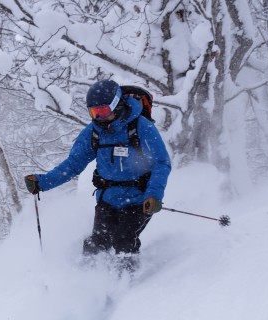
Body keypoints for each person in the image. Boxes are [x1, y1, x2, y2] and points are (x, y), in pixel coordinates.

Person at [24, 79, 171, 271]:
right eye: (94, 113)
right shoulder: (94, 133)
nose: (99, 118)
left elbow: (162, 163)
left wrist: (154, 195)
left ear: (117, 105)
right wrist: (43, 182)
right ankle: (89, 282)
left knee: (124, 240)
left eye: (102, 111)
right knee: (96, 243)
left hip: (139, 199)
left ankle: (128, 284)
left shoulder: (141, 127)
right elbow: (73, 164)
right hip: (108, 200)